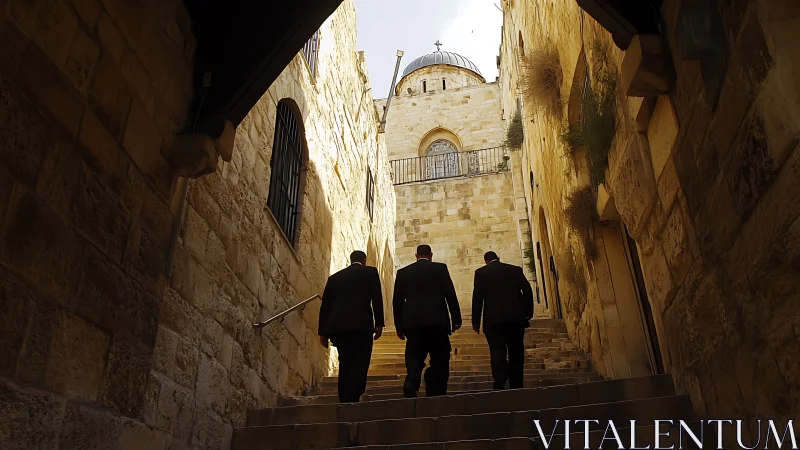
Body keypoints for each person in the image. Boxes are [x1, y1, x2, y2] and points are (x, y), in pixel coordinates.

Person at [392, 244, 461, 398]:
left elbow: (397, 302)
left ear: (416, 255)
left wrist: (399, 326)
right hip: (438, 322)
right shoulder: (440, 269)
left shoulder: (403, 273)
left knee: (414, 355)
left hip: (413, 324)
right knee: (440, 358)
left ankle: (411, 381)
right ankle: (437, 389)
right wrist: (456, 318)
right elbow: (450, 294)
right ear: (431, 255)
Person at [318, 250, 385, 403]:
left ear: (351, 260)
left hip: (340, 327)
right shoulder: (370, 272)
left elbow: (326, 306)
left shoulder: (335, 278)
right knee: (361, 360)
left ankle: (344, 396)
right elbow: (377, 298)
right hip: (362, 325)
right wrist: (379, 323)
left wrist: (323, 332)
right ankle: (354, 394)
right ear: (364, 261)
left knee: (345, 361)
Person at [471, 251, 534, 390]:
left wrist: (475, 321)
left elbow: (477, 297)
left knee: (497, 350)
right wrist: (527, 312)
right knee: (516, 351)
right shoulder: (514, 270)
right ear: (498, 258)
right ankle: (516, 384)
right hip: (515, 318)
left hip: (493, 321)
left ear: (485, 261)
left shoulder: (481, 273)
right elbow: (527, 289)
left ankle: (499, 380)